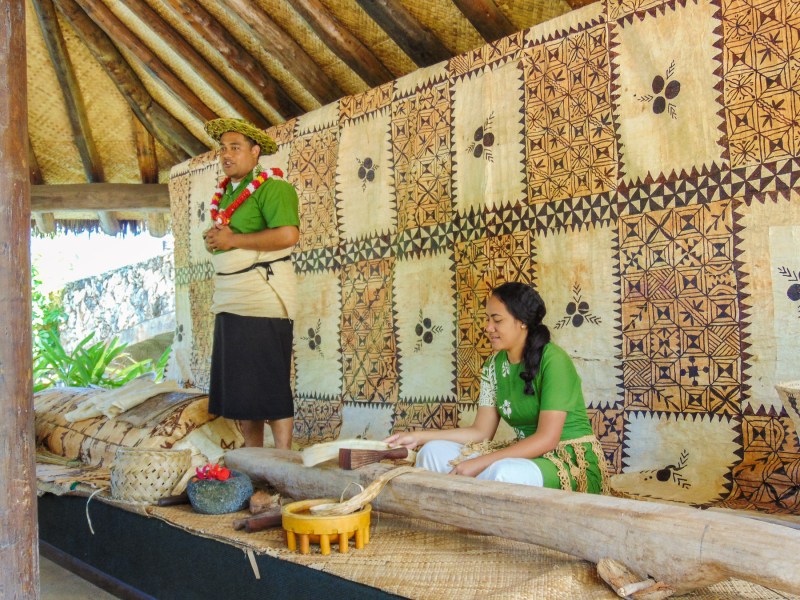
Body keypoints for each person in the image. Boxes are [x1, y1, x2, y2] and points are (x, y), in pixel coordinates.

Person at [385, 282, 609, 493]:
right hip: (525, 456)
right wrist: (418, 437)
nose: (488, 327)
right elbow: (480, 432)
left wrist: (479, 462)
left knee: (502, 474)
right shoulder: (493, 366)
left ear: (522, 321)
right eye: (487, 319)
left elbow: (547, 438)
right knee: (432, 452)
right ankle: (449, 523)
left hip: (569, 460)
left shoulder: (554, 360)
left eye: (497, 320)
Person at [202, 118, 300, 449]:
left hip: (263, 297)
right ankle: (254, 459)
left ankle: (283, 459)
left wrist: (233, 241)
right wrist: (217, 240)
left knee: (269, 383)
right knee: (244, 389)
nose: (226, 155)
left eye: (235, 147)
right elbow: (231, 238)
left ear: (255, 152)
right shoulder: (227, 193)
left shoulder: (274, 187)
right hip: (231, 299)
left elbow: (288, 235)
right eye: (223, 148)